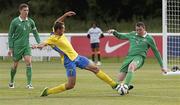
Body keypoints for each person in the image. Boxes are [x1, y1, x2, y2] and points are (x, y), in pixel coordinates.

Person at [32, 11, 119, 97]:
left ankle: (114, 85)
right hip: (68, 61)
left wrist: (65, 15)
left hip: (77, 57)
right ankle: (48, 92)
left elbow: (57, 22)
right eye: (63, 28)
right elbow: (43, 43)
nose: (64, 30)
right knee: (71, 85)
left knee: (95, 68)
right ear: (58, 30)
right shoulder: (52, 38)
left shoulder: (56, 30)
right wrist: (36, 46)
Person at [108, 22, 167, 95]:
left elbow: (156, 52)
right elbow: (121, 36)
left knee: (131, 66)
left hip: (139, 57)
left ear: (144, 29)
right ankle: (127, 87)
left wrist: (162, 66)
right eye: (137, 30)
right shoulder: (132, 34)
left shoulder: (149, 38)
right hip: (129, 57)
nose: (138, 32)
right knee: (119, 80)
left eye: (140, 30)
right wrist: (114, 32)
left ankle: (126, 86)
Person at [8, 3, 41, 89]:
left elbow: (36, 34)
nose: (26, 12)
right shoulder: (15, 21)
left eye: (27, 10)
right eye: (24, 10)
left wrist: (40, 43)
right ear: (20, 11)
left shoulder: (31, 21)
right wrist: (11, 48)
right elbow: (10, 35)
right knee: (15, 65)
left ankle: (29, 84)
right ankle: (11, 81)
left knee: (29, 62)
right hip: (17, 46)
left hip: (26, 45)